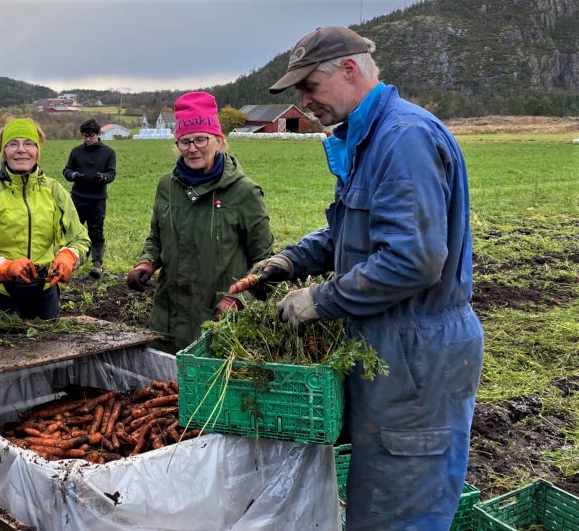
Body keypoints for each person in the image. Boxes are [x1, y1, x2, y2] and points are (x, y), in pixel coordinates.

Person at [229, 26, 484, 530]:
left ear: (349, 70)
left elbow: (412, 260)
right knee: (376, 490)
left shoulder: (403, 138)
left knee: (401, 505)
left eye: (310, 89)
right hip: (388, 341)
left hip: (416, 353)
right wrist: (291, 261)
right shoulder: (370, 136)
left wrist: (320, 300)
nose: (305, 103)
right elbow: (349, 228)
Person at [126, 91, 274, 353]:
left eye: (201, 140)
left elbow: (264, 264)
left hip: (217, 321)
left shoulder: (244, 192)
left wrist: (237, 299)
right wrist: (147, 261)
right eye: (185, 142)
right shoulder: (167, 186)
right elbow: (156, 238)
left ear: (219, 140)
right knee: (165, 386)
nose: (192, 149)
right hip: (167, 318)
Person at [0, 118, 91, 325]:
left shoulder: (54, 190)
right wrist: (4, 268)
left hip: (45, 293)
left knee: (47, 351)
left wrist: (69, 255)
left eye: (29, 143)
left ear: (37, 151)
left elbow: (81, 240)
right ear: (3, 152)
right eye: (13, 144)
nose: (21, 150)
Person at [62, 118, 116, 279]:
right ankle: (68, 262)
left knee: (96, 232)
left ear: (98, 134)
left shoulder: (108, 152)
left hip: (97, 200)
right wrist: (74, 175)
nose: (87, 139)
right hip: (77, 198)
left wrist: (104, 177)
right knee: (72, 231)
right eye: (85, 136)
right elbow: (66, 170)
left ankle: (97, 264)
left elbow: (112, 173)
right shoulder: (76, 152)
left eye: (90, 136)